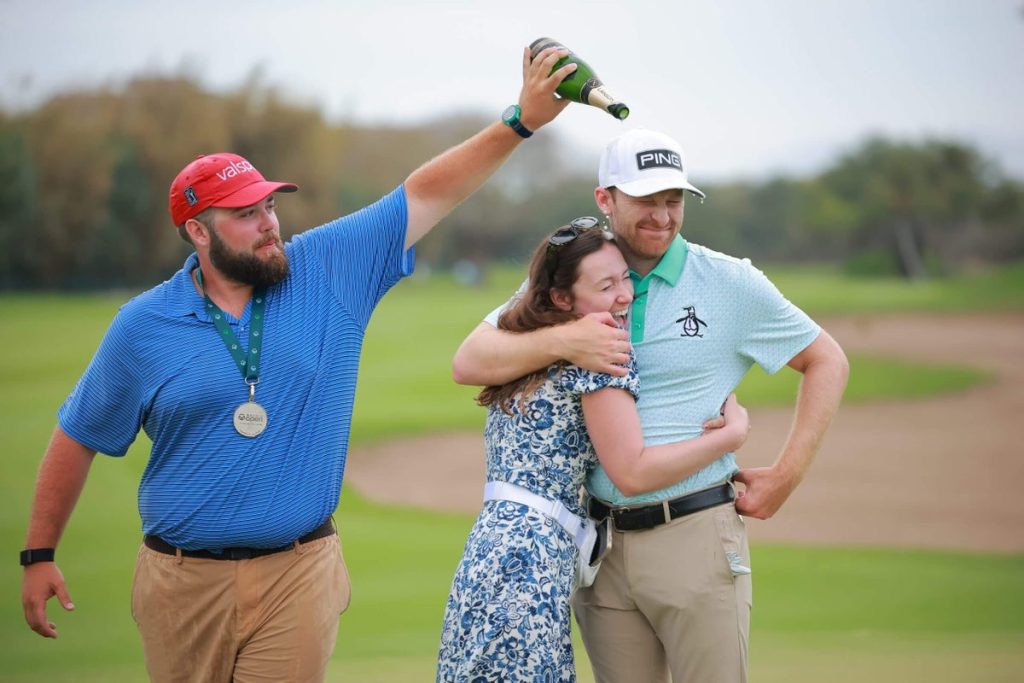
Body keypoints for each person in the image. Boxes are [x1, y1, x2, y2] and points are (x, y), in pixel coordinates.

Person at [19, 45, 577, 683]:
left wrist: (520, 121)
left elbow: (426, 193)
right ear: (198, 233)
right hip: (180, 583)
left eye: (270, 207)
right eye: (245, 214)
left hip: (298, 571)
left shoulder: (327, 268)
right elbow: (78, 435)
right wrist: (39, 552)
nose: (268, 225)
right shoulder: (142, 327)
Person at [451, 129, 850, 683]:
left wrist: (788, 474)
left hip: (695, 533)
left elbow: (827, 360)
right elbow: (471, 360)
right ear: (605, 200)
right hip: (601, 550)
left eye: (673, 200)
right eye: (646, 201)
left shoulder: (729, 282)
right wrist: (566, 340)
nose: (662, 216)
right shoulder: (583, 276)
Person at [437, 220, 751, 682]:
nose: (626, 294)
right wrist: (729, 437)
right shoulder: (603, 352)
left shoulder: (523, 346)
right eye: (607, 285)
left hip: (488, 550)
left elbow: (468, 363)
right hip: (533, 559)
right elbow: (634, 472)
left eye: (625, 277)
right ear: (563, 298)